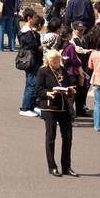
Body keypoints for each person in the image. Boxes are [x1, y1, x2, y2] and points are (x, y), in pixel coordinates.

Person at [36, 49, 77, 177]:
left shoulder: (63, 70)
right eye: (54, 61)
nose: (56, 63)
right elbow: (38, 90)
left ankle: (67, 166)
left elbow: (69, 86)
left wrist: (69, 91)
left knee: (68, 137)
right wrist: (48, 93)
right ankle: (52, 166)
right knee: (51, 137)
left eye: (58, 61)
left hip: (64, 107)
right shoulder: (43, 71)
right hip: (50, 107)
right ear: (49, 61)